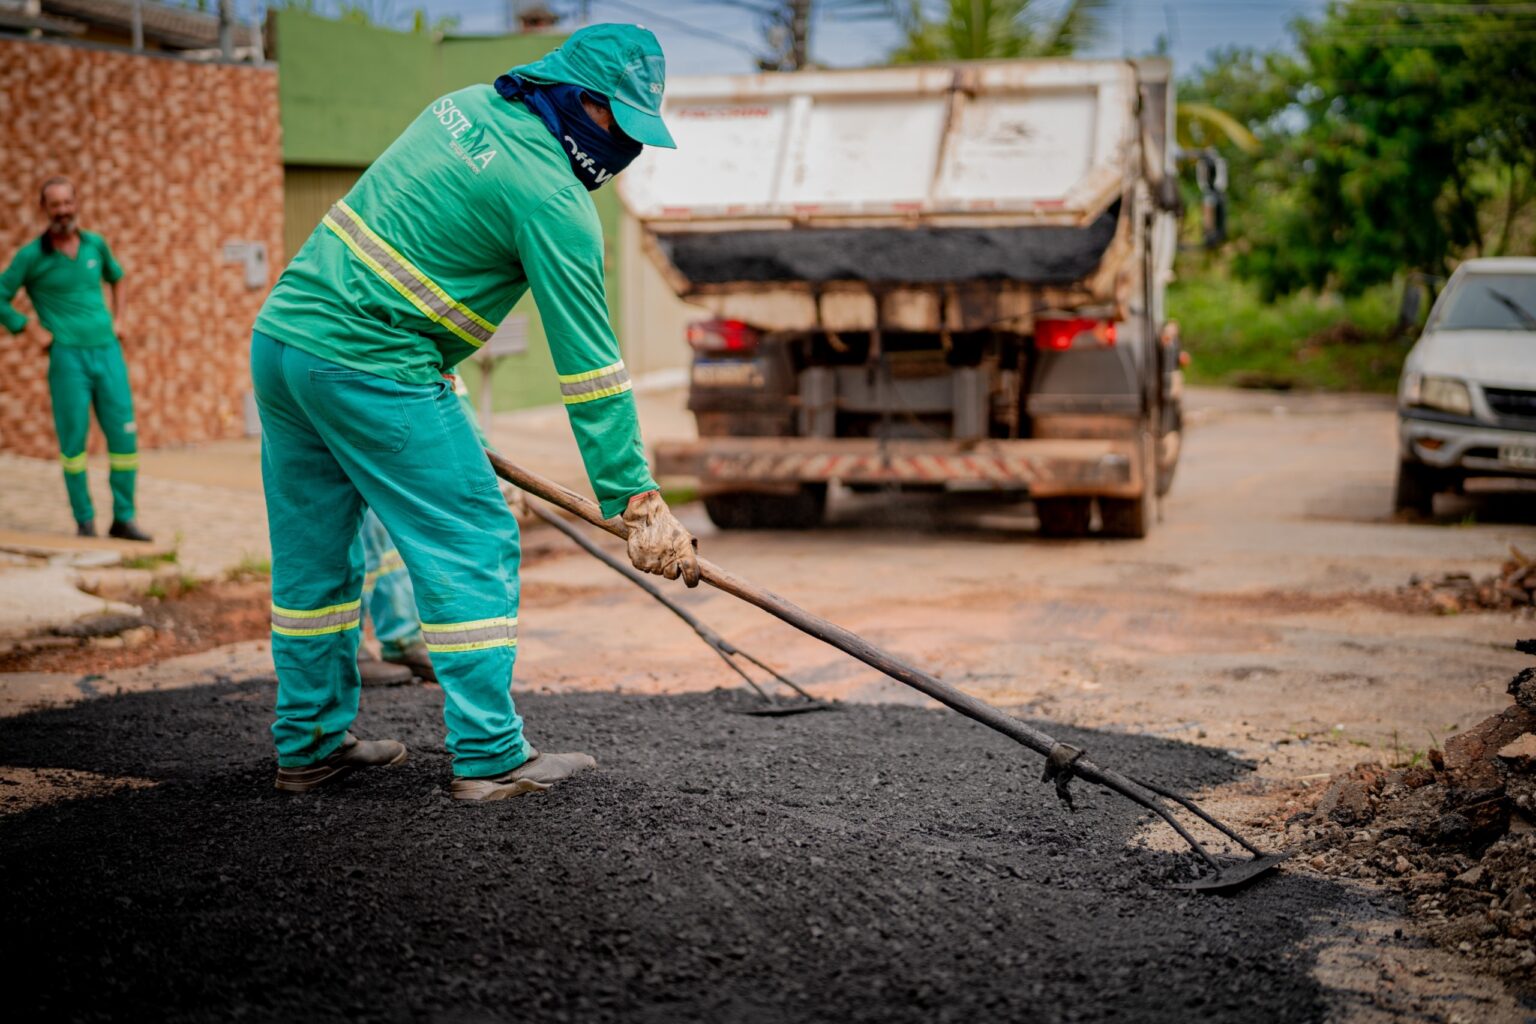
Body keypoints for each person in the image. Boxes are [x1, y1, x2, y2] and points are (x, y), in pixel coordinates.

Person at [252, 23, 698, 802]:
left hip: (286, 344)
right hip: (372, 366)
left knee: (314, 561)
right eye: (615, 122)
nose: (623, 145)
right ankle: (491, 757)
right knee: (473, 537)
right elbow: (590, 368)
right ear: (578, 96)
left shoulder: (461, 106)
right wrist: (634, 495)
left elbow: (417, 253)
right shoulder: (554, 198)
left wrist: (449, 403)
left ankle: (308, 743)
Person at [0, 178, 152, 542]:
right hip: (67, 357)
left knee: (124, 439)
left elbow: (118, 278)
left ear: (76, 204)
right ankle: (84, 521)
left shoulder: (95, 244)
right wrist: (31, 330)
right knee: (74, 444)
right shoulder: (31, 256)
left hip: (108, 351)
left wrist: (121, 319)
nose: (63, 210)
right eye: (55, 204)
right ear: (44, 210)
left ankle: (124, 518)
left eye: (68, 202)